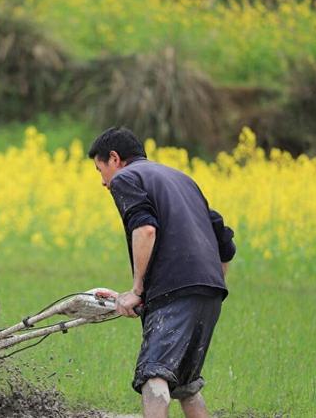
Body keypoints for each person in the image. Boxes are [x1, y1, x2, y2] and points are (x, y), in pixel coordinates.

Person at [87, 126, 236, 418]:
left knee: (154, 374)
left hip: (176, 290)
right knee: (186, 385)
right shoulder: (182, 179)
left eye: (99, 170)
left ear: (115, 159)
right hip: (210, 292)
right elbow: (225, 244)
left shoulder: (126, 179)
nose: (104, 183)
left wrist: (137, 290)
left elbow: (145, 229)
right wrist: (207, 282)